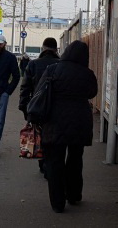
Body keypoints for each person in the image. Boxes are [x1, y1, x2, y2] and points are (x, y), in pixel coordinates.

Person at [40, 40, 99, 213]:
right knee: (75, 158)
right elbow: (92, 93)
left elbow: (42, 90)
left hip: (54, 120)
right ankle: (73, 194)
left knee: (55, 161)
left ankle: (57, 203)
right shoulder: (87, 73)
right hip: (79, 120)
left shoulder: (53, 69)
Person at [18, 37, 60, 173]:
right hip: (55, 107)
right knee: (54, 136)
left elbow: (25, 87)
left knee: (40, 134)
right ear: (56, 49)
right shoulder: (60, 64)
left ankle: (43, 162)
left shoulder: (33, 64)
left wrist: (24, 107)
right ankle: (51, 163)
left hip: (37, 107)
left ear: (43, 48)